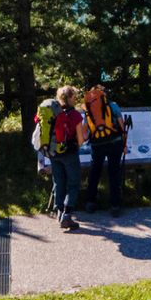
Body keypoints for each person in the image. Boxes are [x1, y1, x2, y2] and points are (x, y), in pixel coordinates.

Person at [36, 85, 89, 230]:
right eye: (75, 96)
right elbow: (80, 140)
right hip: (69, 154)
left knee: (58, 181)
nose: (76, 99)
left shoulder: (53, 113)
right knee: (73, 183)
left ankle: (59, 212)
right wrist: (85, 132)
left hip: (53, 153)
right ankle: (67, 215)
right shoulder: (75, 115)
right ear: (71, 98)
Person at [80, 83, 132, 216]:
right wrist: (124, 145)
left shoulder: (89, 109)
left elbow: (85, 133)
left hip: (97, 145)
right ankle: (115, 205)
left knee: (95, 172)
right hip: (115, 143)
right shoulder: (113, 106)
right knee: (114, 172)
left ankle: (90, 202)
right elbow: (122, 128)